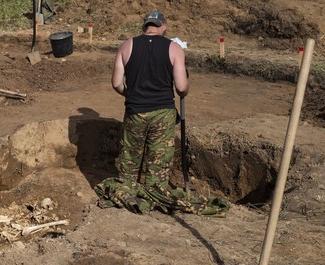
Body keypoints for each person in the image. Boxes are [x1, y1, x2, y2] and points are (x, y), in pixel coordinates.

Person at [94, 11, 229, 217]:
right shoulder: (174, 49)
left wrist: (131, 94)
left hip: (135, 111)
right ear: (163, 26)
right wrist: (186, 86)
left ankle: (129, 188)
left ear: (144, 26)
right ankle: (154, 191)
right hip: (163, 113)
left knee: (130, 157)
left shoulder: (126, 46)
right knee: (158, 162)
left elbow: (116, 83)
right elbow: (181, 87)